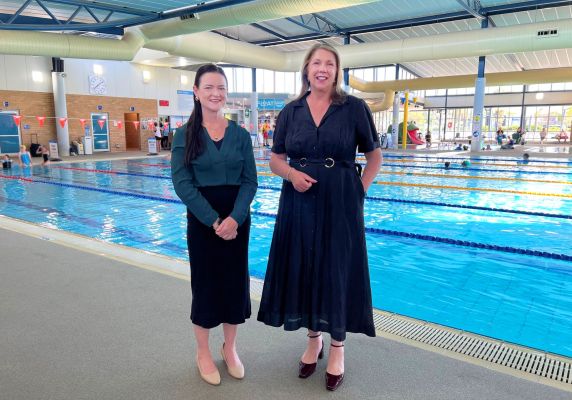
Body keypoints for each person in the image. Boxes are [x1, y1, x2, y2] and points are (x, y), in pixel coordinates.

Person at [257, 43, 383, 392]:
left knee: (336, 268)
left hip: (341, 200)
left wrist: (360, 190)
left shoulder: (354, 108)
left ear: (336, 71)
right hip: (299, 200)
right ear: (307, 70)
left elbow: (374, 156)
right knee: (306, 266)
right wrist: (291, 175)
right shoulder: (291, 111)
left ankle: (338, 347)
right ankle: (314, 341)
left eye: (329, 63)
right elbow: (275, 158)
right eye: (316, 63)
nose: (322, 68)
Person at [170, 64, 257, 386]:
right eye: (208, 87)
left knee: (234, 284)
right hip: (203, 220)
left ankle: (230, 348)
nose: (215, 93)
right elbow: (181, 183)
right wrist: (214, 220)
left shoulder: (239, 134)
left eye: (220, 87)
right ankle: (203, 351)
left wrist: (235, 218)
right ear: (196, 92)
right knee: (206, 285)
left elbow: (250, 181)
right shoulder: (185, 134)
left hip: (237, 219)